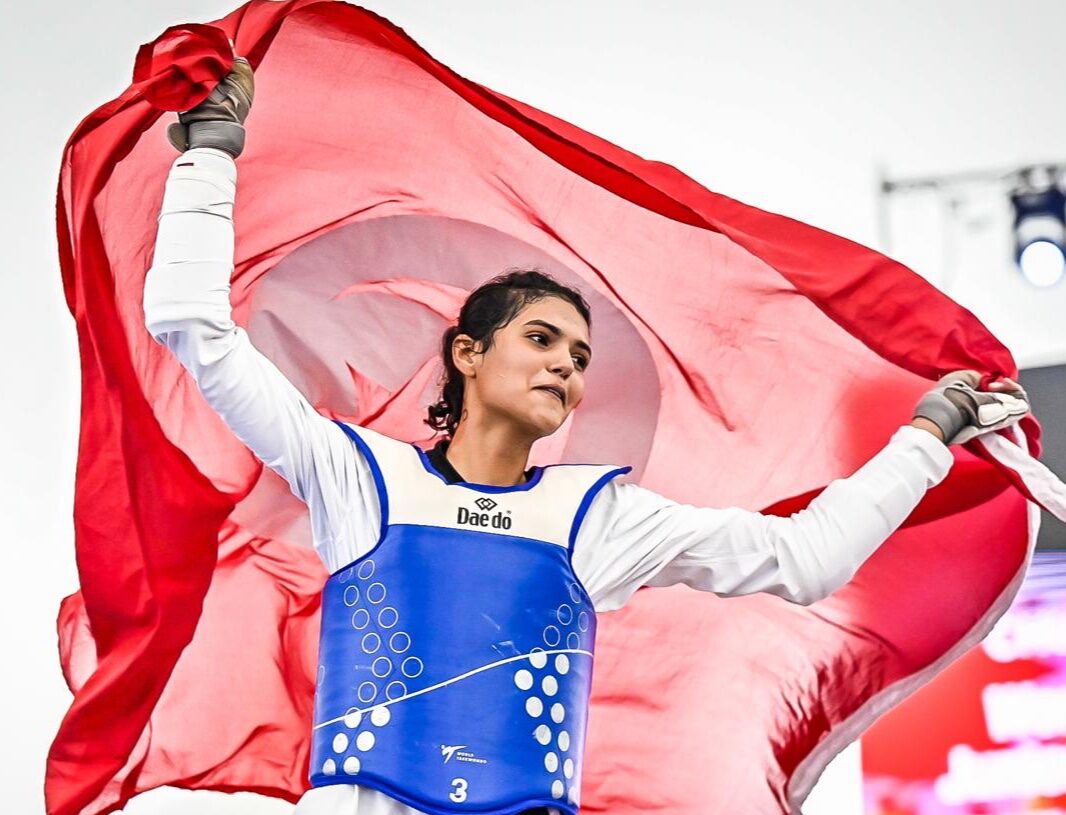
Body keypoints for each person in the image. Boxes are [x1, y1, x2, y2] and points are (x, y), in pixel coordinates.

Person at [144, 57, 1030, 815]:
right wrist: (211, 156)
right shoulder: (356, 474)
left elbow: (806, 559)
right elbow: (194, 328)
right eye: (540, 340)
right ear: (467, 353)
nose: (565, 367)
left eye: (579, 355)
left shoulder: (596, 515)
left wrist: (927, 435)